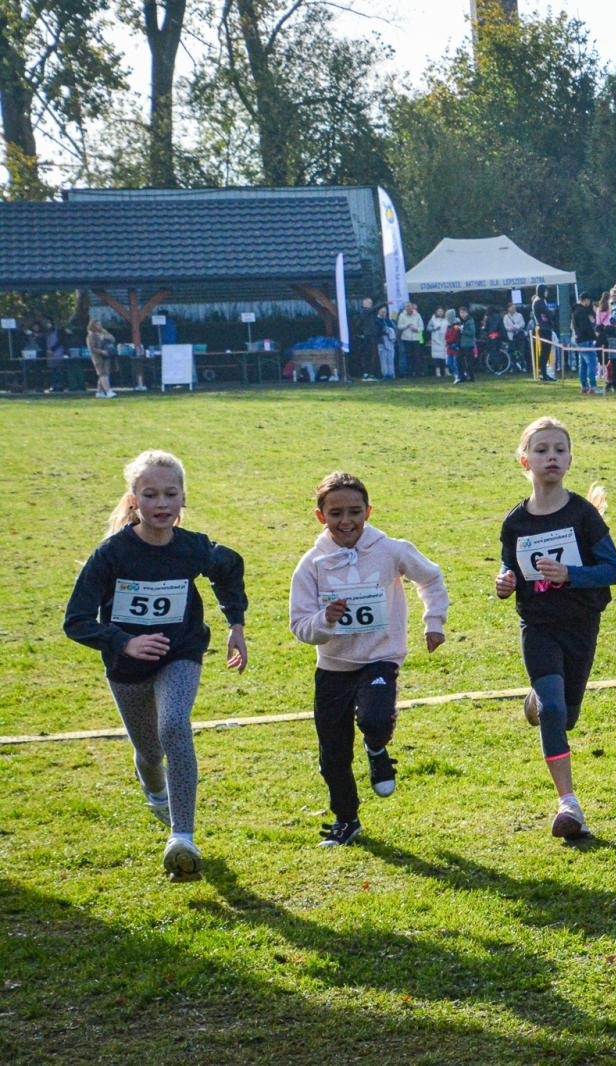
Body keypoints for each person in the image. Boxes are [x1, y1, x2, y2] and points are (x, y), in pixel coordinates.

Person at [63, 450, 248, 881]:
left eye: (170, 493)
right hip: (126, 667)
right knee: (150, 750)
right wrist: (124, 642)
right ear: (134, 501)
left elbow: (230, 567)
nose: (161, 503)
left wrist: (235, 623)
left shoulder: (193, 548)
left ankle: (182, 837)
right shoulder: (111, 554)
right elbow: (75, 621)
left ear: (184, 498)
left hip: (181, 652)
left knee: (174, 727)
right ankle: (152, 784)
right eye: (150, 494)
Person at [289, 472, 448, 847]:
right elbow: (299, 625)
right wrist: (324, 621)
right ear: (320, 516)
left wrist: (434, 621)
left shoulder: (391, 550)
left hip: (381, 657)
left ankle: (377, 748)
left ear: (368, 511)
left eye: (355, 512)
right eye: (336, 513)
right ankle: (347, 819)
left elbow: (431, 578)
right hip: (333, 666)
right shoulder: (311, 565)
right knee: (333, 756)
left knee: (375, 719)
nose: (347, 521)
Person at [494, 418, 616, 838]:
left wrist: (570, 573)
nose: (551, 456)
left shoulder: (582, 515)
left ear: (569, 459)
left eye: (559, 450)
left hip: (581, 623)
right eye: (542, 450)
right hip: (538, 624)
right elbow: (509, 565)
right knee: (554, 710)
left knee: (564, 716)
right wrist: (504, 581)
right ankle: (569, 805)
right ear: (524, 460)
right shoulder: (515, 522)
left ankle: (538, 699)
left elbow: (614, 571)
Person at [573, 291, 600, 394]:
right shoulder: (582, 312)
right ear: (586, 300)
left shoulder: (576, 311)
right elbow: (585, 328)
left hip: (580, 341)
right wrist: (594, 334)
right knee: (592, 363)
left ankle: (584, 386)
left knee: (583, 364)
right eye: (589, 300)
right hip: (586, 340)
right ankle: (593, 386)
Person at [532, 287, 558, 380]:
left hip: (545, 328)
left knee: (546, 352)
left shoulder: (541, 301)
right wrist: (551, 312)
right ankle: (543, 373)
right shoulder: (539, 301)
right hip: (544, 328)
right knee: (544, 351)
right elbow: (548, 313)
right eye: (546, 291)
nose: (547, 292)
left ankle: (544, 373)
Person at [87, 319, 117, 398]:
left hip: (106, 355)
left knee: (106, 373)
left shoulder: (104, 332)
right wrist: (101, 351)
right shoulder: (91, 336)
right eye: (97, 325)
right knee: (102, 373)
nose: (99, 326)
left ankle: (99, 392)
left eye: (100, 324)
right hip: (97, 357)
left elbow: (113, 339)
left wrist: (105, 335)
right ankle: (108, 391)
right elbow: (92, 348)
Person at [396, 302, 424, 378]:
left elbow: (422, 327)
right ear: (405, 308)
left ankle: (418, 372)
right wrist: (407, 326)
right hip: (406, 338)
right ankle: (409, 373)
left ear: (412, 307)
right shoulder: (402, 315)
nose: (408, 308)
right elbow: (399, 326)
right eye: (406, 307)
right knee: (408, 356)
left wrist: (416, 329)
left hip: (416, 338)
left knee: (417, 356)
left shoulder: (417, 315)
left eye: (409, 306)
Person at [452, 305, 477, 383]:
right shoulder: (460, 321)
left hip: (468, 344)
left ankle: (471, 377)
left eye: (463, 312)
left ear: (466, 313)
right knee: (459, 360)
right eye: (460, 313)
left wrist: (461, 329)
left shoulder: (470, 320)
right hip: (461, 344)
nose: (462, 314)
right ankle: (461, 377)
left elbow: (472, 332)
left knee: (469, 362)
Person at [501, 301, 527, 375]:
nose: (513, 308)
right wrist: (511, 329)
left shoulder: (519, 315)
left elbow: (523, 324)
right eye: (512, 307)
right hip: (511, 337)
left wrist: (516, 327)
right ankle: (513, 366)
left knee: (521, 351)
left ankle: (523, 366)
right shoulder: (506, 317)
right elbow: (505, 326)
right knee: (512, 352)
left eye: (514, 307)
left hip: (519, 336)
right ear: (508, 308)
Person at [374, 305, 397, 380]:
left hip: (390, 341)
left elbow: (393, 328)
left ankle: (391, 374)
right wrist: (384, 331)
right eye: (382, 312)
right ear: (379, 311)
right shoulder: (376, 320)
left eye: (385, 312)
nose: (384, 313)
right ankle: (385, 374)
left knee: (390, 358)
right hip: (381, 342)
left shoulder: (388, 320)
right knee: (383, 359)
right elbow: (376, 331)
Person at [428, 306, 450, 377]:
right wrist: (434, 328)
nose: (440, 312)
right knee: (437, 357)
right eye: (438, 311)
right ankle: (438, 372)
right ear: (436, 312)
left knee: (445, 356)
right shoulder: (433, 320)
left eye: (441, 311)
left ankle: (446, 371)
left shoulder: (446, 320)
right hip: (436, 341)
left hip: (444, 340)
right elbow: (428, 328)